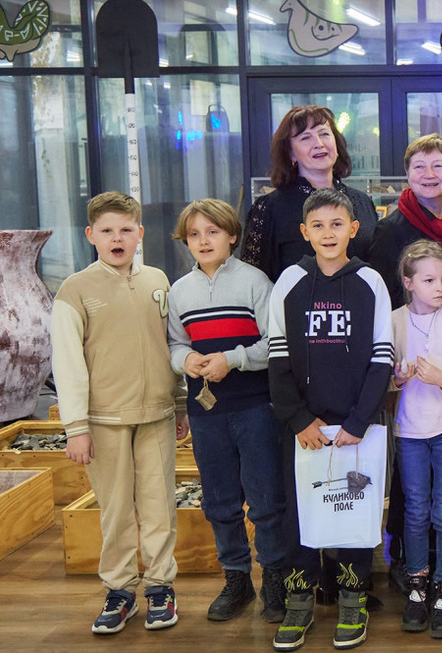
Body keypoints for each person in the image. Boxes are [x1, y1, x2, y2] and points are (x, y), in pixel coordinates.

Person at [51, 191, 185, 635]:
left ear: (139, 234)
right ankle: (120, 590)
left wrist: (180, 402)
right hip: (103, 421)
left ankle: (161, 587)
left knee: (160, 507)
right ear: (90, 235)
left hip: (158, 416)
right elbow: (67, 363)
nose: (117, 238)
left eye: (126, 230)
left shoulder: (158, 281)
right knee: (116, 512)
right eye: (107, 231)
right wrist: (76, 427)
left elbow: (171, 345)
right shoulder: (75, 290)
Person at [267, 189, 394, 651]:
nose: (327, 233)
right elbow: (277, 358)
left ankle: (352, 599)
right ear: (305, 232)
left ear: (353, 229)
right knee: (300, 513)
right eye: (318, 226)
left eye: (337, 224)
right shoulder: (289, 281)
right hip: (305, 429)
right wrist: (298, 419)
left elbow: (382, 357)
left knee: (353, 511)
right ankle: (299, 600)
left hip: (356, 427)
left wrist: (360, 421)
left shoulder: (370, 282)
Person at [166, 199, 287, 624]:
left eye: (213, 232)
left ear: (232, 236)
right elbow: (175, 343)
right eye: (194, 234)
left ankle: (275, 577)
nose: (203, 241)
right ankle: (236, 577)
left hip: (255, 407)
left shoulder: (255, 281)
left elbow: (274, 343)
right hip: (207, 413)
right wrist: (185, 360)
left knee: (265, 499)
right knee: (219, 500)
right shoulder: (180, 291)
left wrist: (232, 359)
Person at [390, 241, 442, 639]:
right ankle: (417, 582)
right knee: (416, 510)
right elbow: (383, 379)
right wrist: (398, 378)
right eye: (428, 280)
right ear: (408, 282)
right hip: (409, 431)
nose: (439, 287)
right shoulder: (394, 321)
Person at [242, 105, 377, 282]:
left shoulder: (362, 201)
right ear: (290, 153)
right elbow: (254, 281)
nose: (319, 144)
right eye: (305, 138)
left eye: (324, 134)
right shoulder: (269, 208)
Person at [371, 133, 442, 311]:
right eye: (419, 167)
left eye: (438, 166)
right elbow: (386, 295)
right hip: (413, 323)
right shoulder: (389, 230)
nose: (429, 175)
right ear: (407, 174)